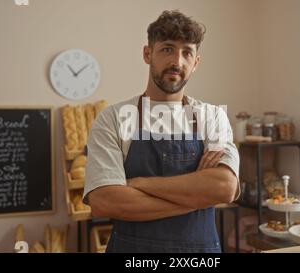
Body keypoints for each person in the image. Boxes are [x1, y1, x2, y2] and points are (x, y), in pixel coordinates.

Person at [83, 10, 240, 253]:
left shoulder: (212, 117)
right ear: (148, 54)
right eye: (167, 49)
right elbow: (105, 202)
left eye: (187, 52)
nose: (177, 61)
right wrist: (198, 197)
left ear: (196, 62)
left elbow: (224, 188)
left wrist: (139, 184)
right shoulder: (113, 118)